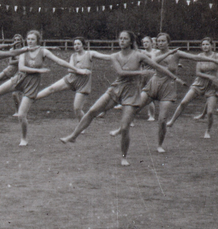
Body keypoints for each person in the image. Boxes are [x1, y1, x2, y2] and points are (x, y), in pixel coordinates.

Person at [59, 31, 185, 166]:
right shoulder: (115, 56)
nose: (122, 41)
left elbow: (158, 67)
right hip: (116, 89)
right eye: (120, 38)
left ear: (131, 41)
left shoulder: (139, 55)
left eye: (125, 39)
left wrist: (175, 78)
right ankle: (73, 136)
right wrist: (141, 72)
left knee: (125, 127)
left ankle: (124, 157)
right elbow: (121, 72)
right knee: (92, 111)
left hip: (131, 93)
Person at [0, 30, 87, 147]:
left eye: (32, 39)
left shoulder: (43, 51)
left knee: (22, 115)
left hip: (31, 84)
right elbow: (21, 67)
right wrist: (38, 70)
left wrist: (77, 70)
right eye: (28, 39)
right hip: (19, 79)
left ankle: (24, 138)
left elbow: (59, 61)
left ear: (37, 40)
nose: (30, 41)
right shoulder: (24, 51)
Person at [165, 38, 218, 139]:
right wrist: (209, 76)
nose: (205, 46)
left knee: (210, 112)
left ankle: (207, 132)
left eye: (207, 44)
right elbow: (198, 73)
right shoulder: (199, 56)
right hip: (199, 83)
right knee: (184, 102)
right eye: (203, 45)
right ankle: (172, 121)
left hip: (212, 86)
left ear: (211, 45)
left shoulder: (217, 56)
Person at [33, 37, 112, 119]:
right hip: (71, 79)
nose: (76, 46)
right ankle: (32, 99)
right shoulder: (73, 56)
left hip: (83, 84)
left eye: (78, 44)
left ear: (83, 45)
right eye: (74, 44)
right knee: (51, 88)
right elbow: (70, 69)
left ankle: (82, 126)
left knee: (77, 108)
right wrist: (81, 71)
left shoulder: (90, 54)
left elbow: (106, 57)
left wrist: (120, 56)